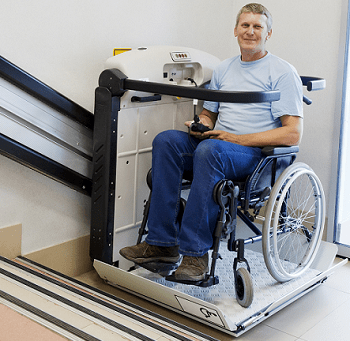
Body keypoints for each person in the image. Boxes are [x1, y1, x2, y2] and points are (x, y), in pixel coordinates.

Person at [120, 3, 303, 281]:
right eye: (245, 25)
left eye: (257, 26)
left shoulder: (282, 72)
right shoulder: (224, 69)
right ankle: (161, 243)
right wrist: (200, 126)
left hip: (253, 154)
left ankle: (196, 255)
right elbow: (209, 114)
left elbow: (292, 133)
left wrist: (236, 138)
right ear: (235, 30)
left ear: (268, 33)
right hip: (217, 146)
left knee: (210, 150)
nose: (250, 31)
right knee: (166, 141)